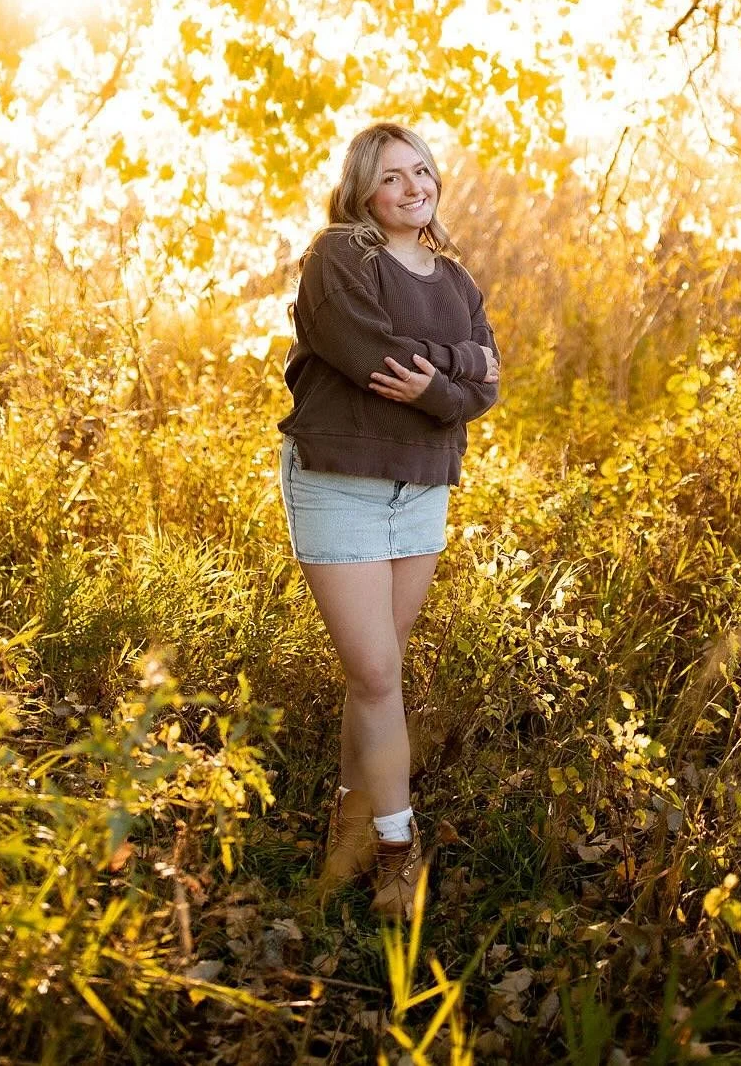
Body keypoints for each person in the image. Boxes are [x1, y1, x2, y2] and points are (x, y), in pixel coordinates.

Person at [277, 122, 500, 920]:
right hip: (340, 483)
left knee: (375, 678)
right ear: (363, 191)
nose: (413, 188)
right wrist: (460, 367)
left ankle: (347, 828)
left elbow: (486, 383)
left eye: (422, 172)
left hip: (423, 487)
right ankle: (398, 858)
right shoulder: (339, 256)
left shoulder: (456, 277)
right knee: (378, 675)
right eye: (392, 178)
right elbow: (375, 359)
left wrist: (443, 382)